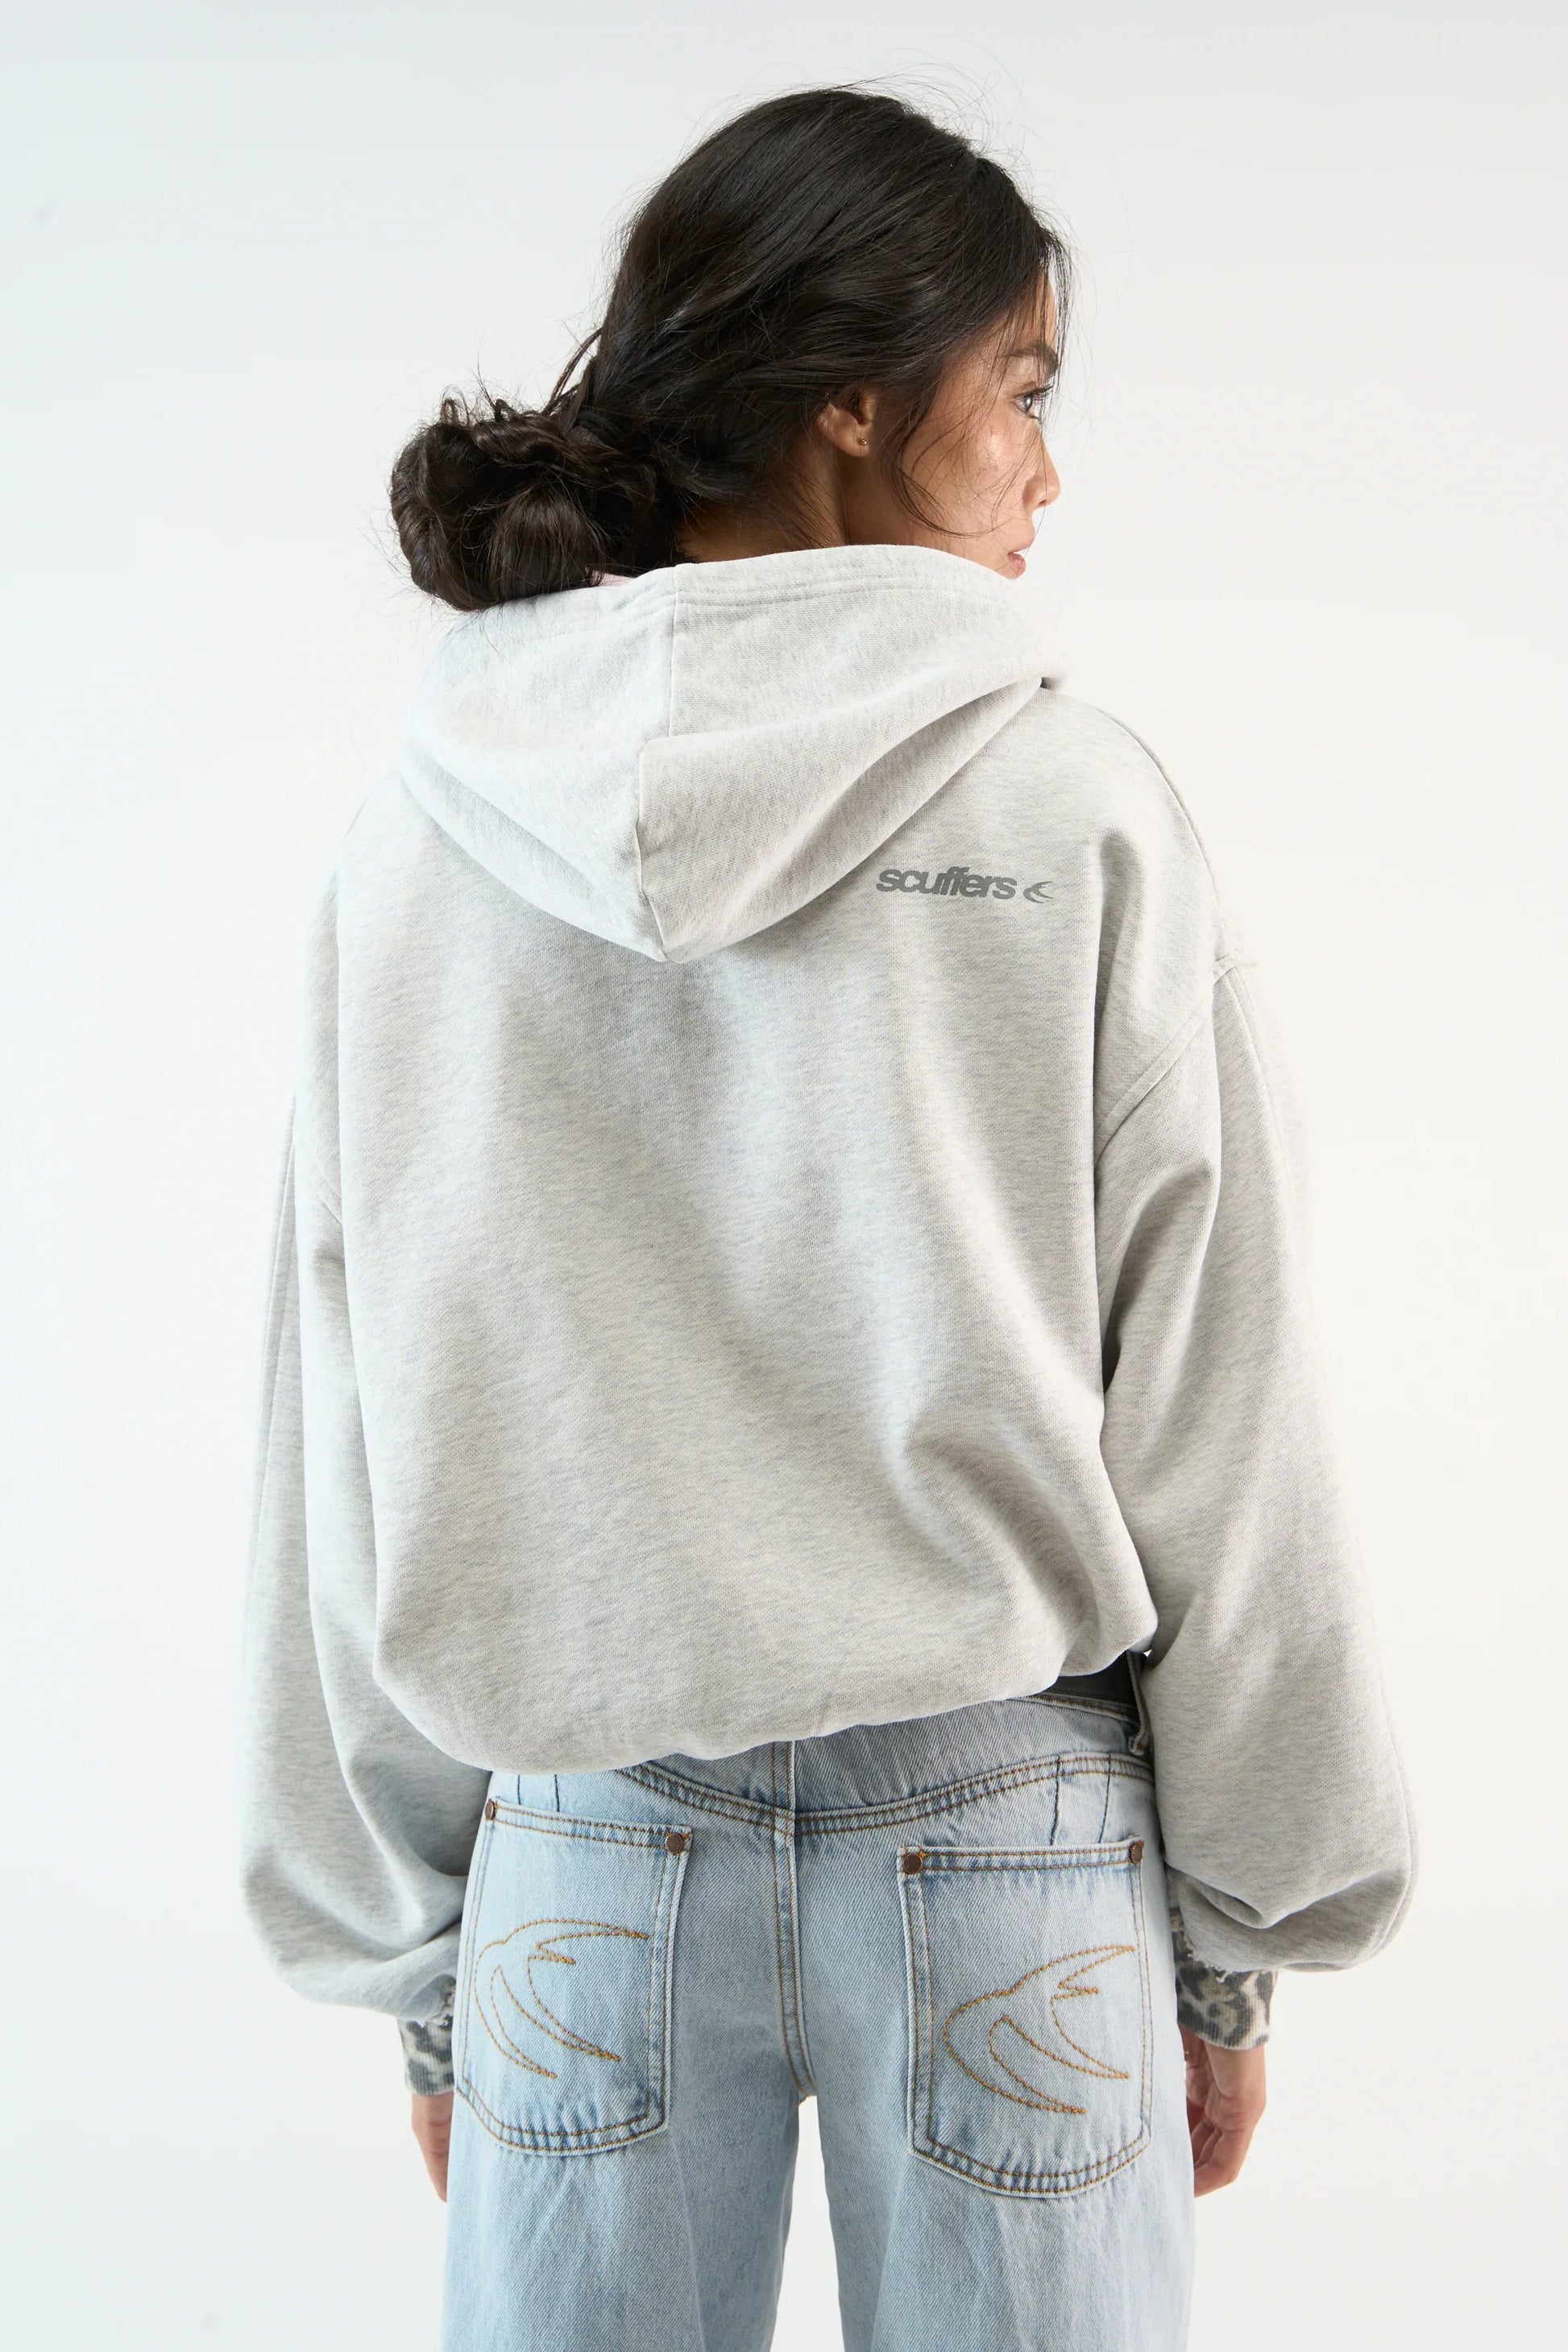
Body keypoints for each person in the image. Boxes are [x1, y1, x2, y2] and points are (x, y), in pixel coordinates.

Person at [237, 84, 1417, 2352]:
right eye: (1024, 390)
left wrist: (417, 1967)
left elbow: (345, 1414)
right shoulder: (1069, 803)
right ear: (858, 401)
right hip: (1010, 1849)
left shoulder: (423, 840)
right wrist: (1240, 1935)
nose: (1049, 471)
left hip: (584, 1853)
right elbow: (1220, 1392)